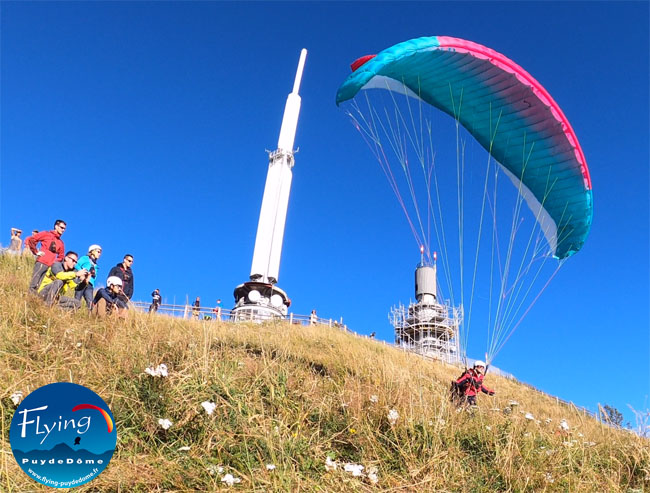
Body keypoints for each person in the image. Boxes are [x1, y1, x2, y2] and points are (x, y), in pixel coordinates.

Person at [26, 220, 66, 293]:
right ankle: (28, 298)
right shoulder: (46, 234)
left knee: (40, 286)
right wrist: (36, 252)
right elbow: (32, 240)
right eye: (61, 227)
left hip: (50, 267)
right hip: (41, 262)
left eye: (64, 229)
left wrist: (54, 263)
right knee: (34, 283)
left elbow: (61, 256)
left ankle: (34, 299)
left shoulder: (61, 243)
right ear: (56, 226)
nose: (63, 230)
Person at [74, 245, 102, 311]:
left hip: (90, 284)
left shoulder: (96, 265)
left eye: (100, 252)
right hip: (82, 281)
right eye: (98, 252)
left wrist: (93, 284)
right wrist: (82, 272)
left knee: (90, 303)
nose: (99, 254)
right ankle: (73, 313)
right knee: (77, 299)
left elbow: (95, 276)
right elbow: (76, 265)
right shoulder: (85, 258)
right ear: (92, 251)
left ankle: (89, 317)